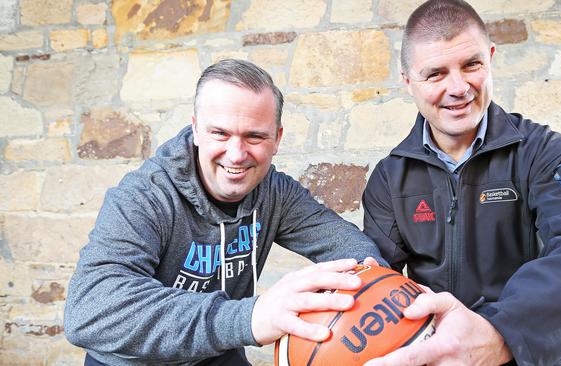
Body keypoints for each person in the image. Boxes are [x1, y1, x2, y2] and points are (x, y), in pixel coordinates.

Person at [64, 59, 385, 366]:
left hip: (212, 356)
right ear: (196, 130)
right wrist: (251, 317)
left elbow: (354, 251)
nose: (236, 154)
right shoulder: (144, 197)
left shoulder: (276, 193)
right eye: (220, 133)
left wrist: (376, 293)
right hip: (134, 361)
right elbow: (89, 311)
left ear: (277, 139)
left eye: (255, 136)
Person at [361, 1, 561, 365]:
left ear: (490, 57)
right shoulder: (388, 179)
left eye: (471, 65)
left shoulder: (551, 154)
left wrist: (499, 333)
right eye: (435, 74)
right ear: (408, 81)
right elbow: (379, 284)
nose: (458, 88)